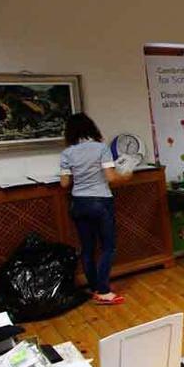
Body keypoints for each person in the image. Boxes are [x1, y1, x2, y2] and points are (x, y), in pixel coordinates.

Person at [59, 113, 132, 305]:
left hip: (78, 204)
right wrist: (126, 176)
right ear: (91, 128)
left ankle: (94, 288)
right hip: (100, 201)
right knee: (108, 247)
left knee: (87, 249)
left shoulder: (67, 153)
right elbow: (110, 177)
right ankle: (103, 290)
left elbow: (64, 183)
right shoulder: (101, 149)